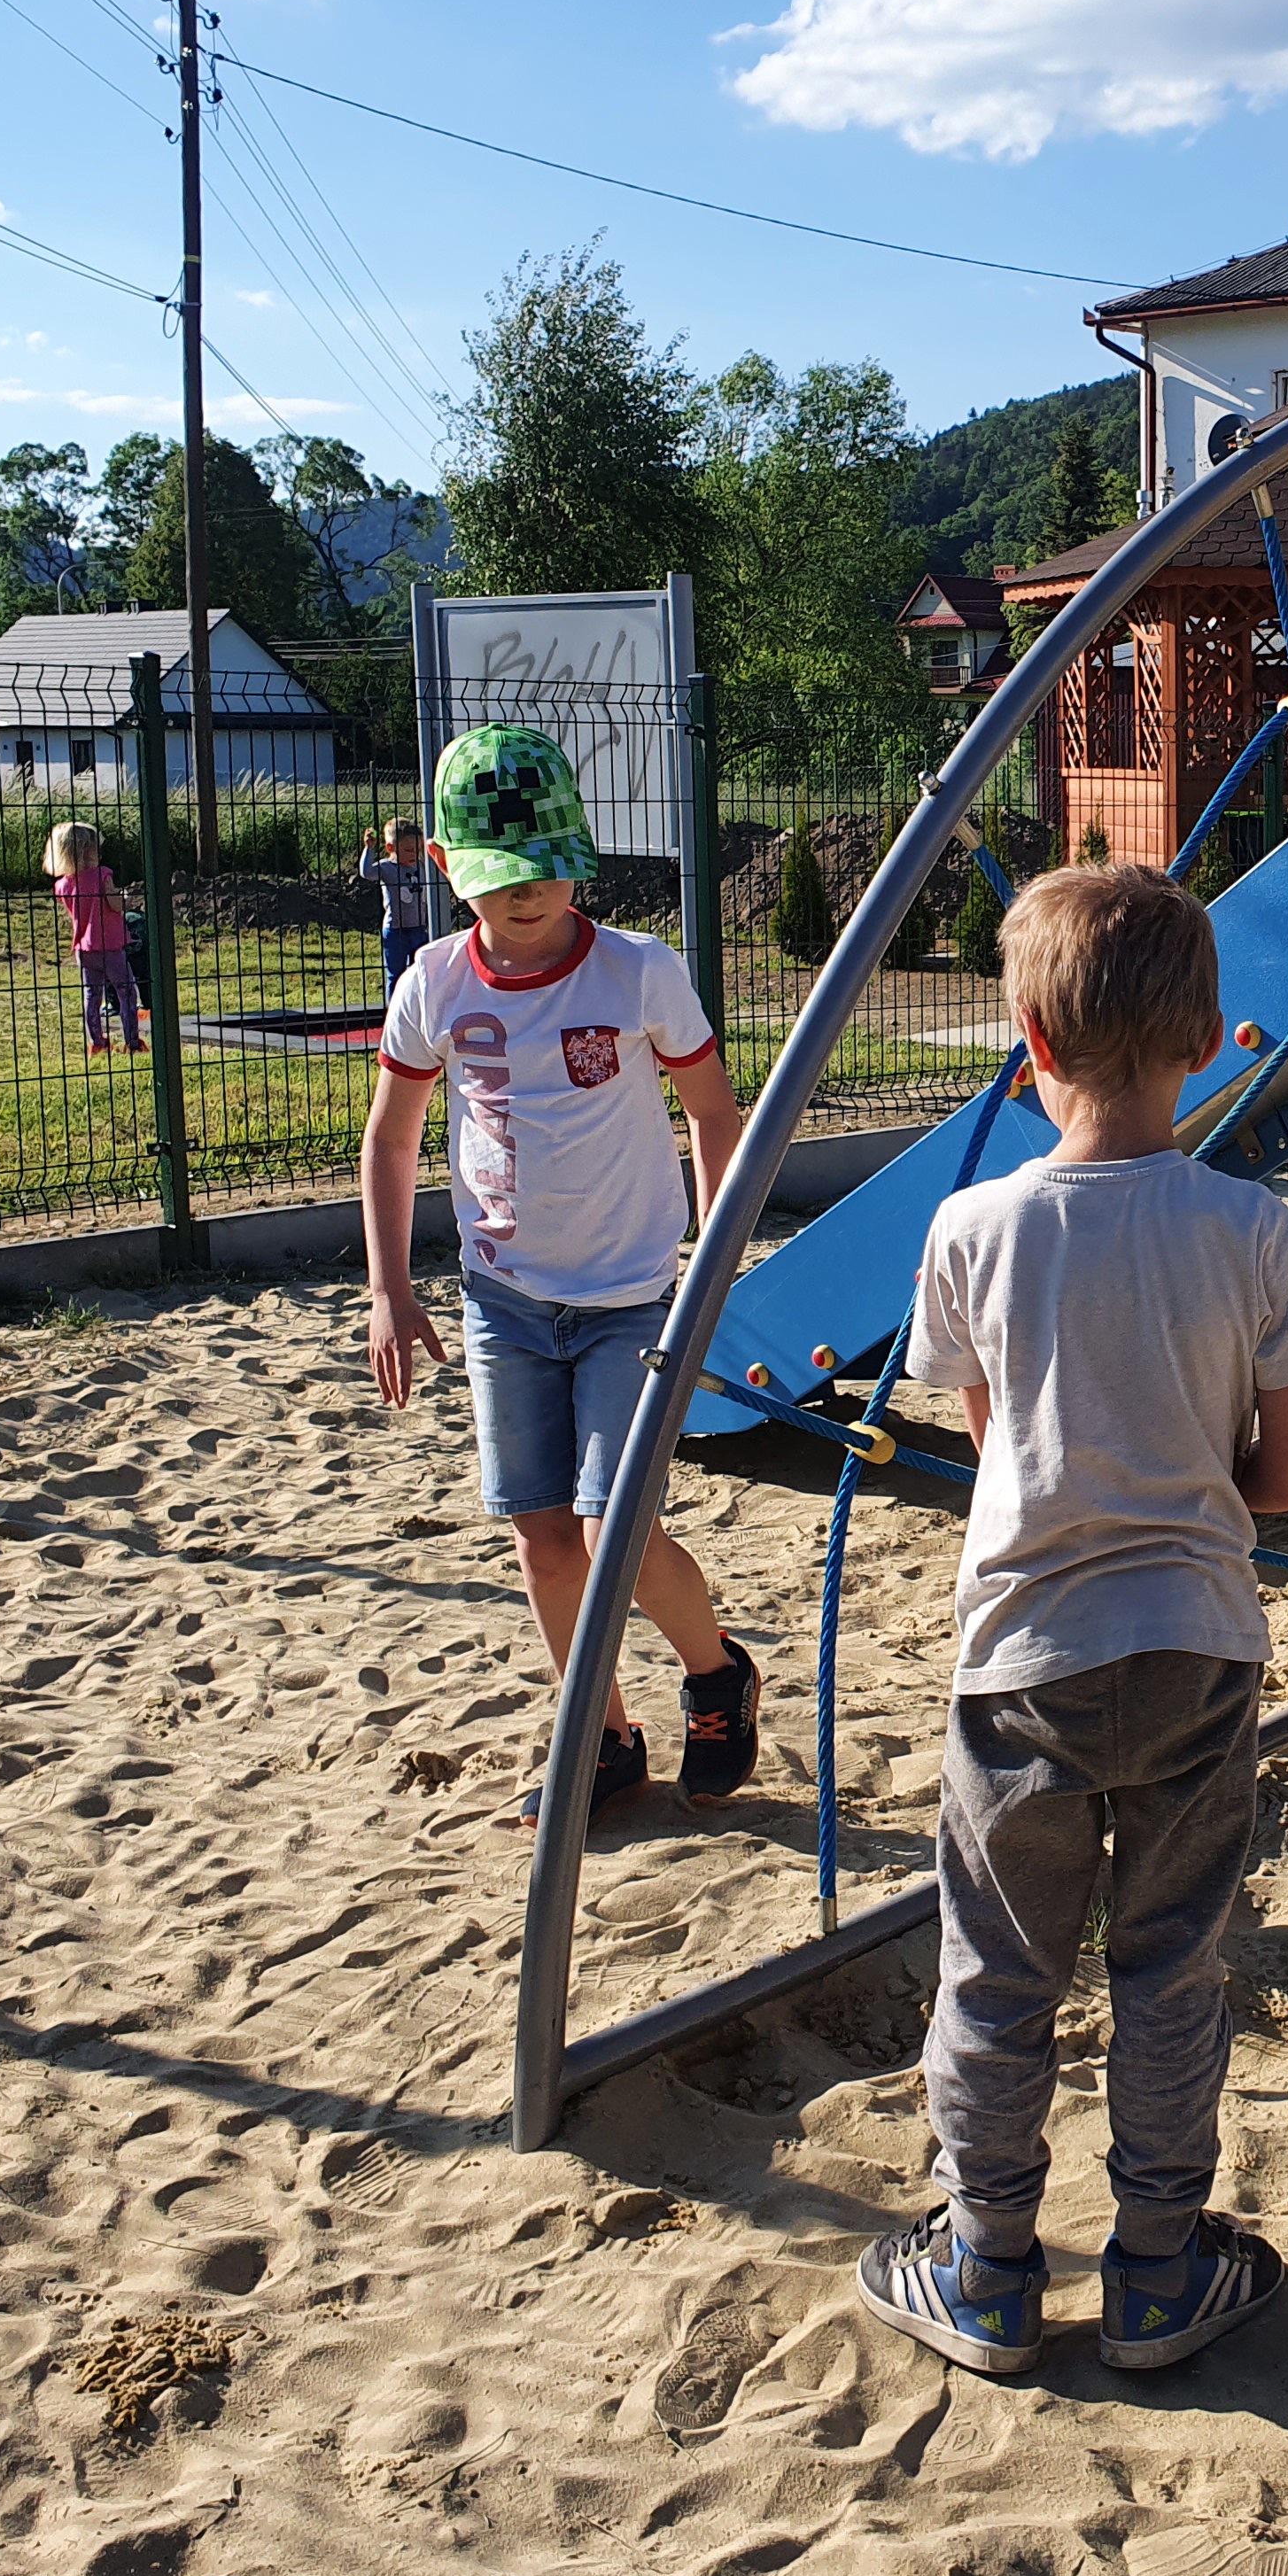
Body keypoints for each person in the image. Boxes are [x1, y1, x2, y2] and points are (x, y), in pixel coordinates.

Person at [854, 861, 1288, 2378]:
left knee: (998, 1970)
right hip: (1199, 1649)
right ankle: (1154, 2270)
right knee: (1169, 1963)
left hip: (1025, 1657)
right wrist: (1192, 1474)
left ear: (1028, 1041)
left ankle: (987, 2265)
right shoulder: (1249, 1226)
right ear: (1206, 1039)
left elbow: (994, 1447)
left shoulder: (973, 1228)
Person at [356, 722, 763, 1819]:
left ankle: (716, 1673)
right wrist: (390, 1290)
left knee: (611, 1530)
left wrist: (714, 1262)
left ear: (578, 856)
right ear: (444, 867)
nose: (525, 894)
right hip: (503, 1302)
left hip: (630, 1297)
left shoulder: (639, 973)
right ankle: (604, 1736)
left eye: (542, 867)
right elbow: (391, 1139)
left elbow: (712, 1113)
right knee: (541, 1535)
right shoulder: (434, 985)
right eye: (498, 876)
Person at [41, 821, 143, 1056]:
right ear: (87, 851)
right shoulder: (102, 876)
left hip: (84, 948)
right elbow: (115, 904)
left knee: (92, 995)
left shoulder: (62, 885)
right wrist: (124, 897)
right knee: (126, 991)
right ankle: (132, 1042)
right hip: (110, 945)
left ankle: (97, 1042)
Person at [360, 816, 432, 995]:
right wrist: (369, 848)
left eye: (417, 850)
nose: (413, 854)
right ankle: (393, 1007)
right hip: (394, 930)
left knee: (419, 972)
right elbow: (367, 872)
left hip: (418, 928)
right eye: (408, 850)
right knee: (396, 975)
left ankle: (415, 1006)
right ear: (391, 848)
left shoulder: (423, 866)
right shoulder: (386, 868)